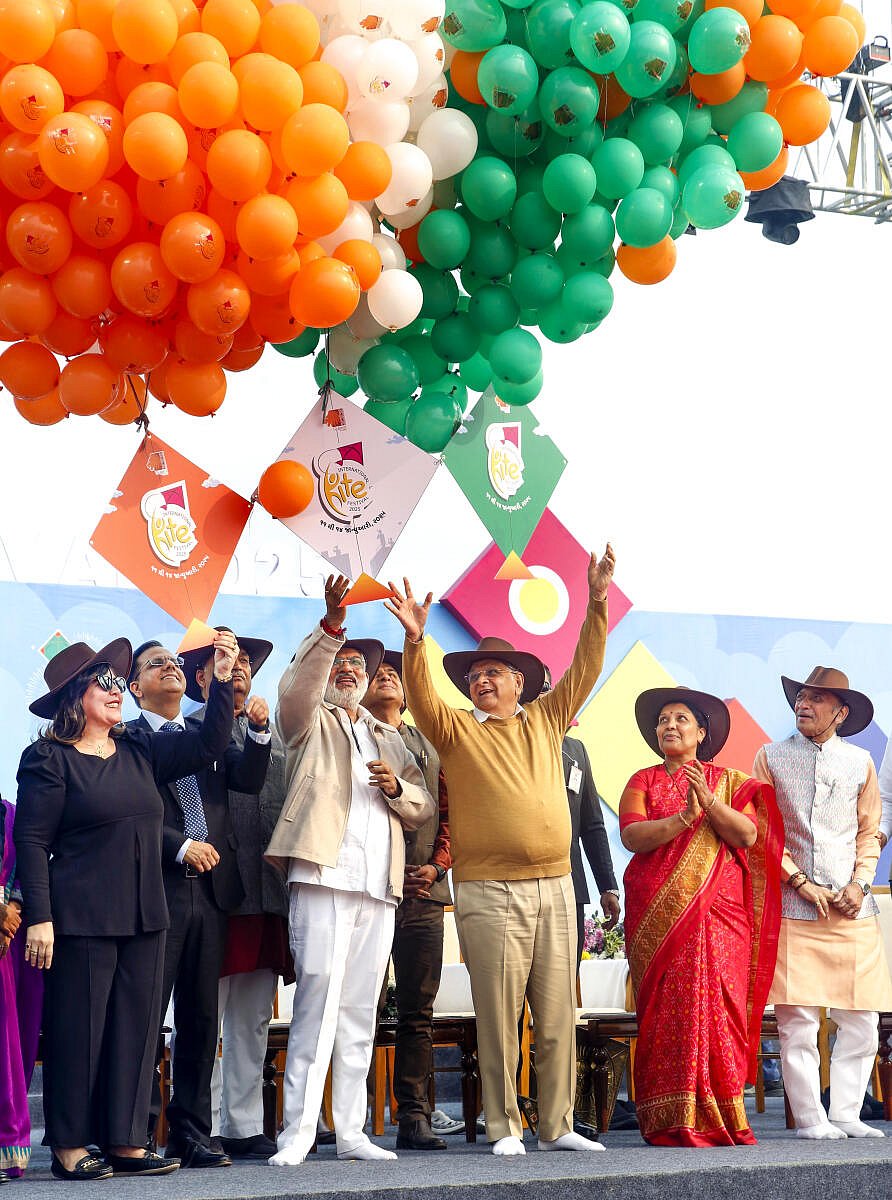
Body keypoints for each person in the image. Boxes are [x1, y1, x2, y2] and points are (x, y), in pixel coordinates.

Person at [386, 545, 615, 1157]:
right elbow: (423, 697)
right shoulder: (456, 729)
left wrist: (596, 600)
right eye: (474, 675)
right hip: (487, 889)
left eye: (494, 672)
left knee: (558, 1013)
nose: (481, 680)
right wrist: (415, 641)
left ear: (521, 682)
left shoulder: (548, 719)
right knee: (497, 1014)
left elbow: (585, 667)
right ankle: (504, 1125)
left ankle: (558, 1125)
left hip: (556, 886)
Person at [14, 633, 238, 1179]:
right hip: (82, 917)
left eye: (119, 681)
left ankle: (126, 1141)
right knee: (80, 1032)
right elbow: (32, 841)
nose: (117, 690)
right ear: (75, 698)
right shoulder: (48, 758)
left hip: (146, 914)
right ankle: (69, 1145)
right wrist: (40, 917)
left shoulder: (139, 747)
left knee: (136, 1034)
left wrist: (221, 681)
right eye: (104, 682)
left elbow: (209, 745)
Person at [265, 576, 436, 1166]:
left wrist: (398, 791)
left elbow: (423, 803)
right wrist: (331, 629)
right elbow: (296, 693)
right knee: (318, 1002)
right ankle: (297, 1133)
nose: (348, 668)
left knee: (362, 1008)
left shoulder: (389, 737)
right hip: (323, 875)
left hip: (378, 885)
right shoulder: (310, 721)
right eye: (341, 661)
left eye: (357, 664)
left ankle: (352, 1132)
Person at [129, 636, 271, 1169]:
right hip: (157, 888)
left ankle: (190, 1134)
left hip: (210, 894)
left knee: (200, 1018)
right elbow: (134, 817)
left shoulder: (199, 735)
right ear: (135, 685)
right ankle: (135, 1133)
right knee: (146, 1016)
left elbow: (247, 779)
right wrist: (179, 845)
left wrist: (258, 733)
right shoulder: (129, 738)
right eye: (156, 664)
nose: (170, 667)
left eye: (174, 661)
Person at [619, 687, 782, 1147]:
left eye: (681, 719)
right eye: (663, 720)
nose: (669, 726)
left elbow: (747, 835)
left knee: (720, 1008)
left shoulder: (727, 782)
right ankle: (667, 1117)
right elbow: (631, 835)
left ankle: (724, 1115)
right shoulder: (643, 780)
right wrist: (681, 820)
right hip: (659, 915)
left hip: (721, 915)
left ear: (701, 733)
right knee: (666, 1012)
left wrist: (708, 803)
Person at [753, 667, 892, 1139]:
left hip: (852, 910)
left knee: (863, 1019)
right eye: (801, 697)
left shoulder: (860, 762)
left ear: (841, 712)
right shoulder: (770, 757)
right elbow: (762, 830)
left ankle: (847, 1114)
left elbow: (869, 832)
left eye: (816, 698)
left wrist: (860, 884)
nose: (803, 704)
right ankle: (811, 1119)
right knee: (797, 1022)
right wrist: (798, 880)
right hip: (794, 908)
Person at [180, 630, 291, 1162]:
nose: (239, 667)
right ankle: (199, 1122)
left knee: (251, 1016)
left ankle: (244, 1124)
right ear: (202, 677)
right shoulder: (188, 732)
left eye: (245, 660)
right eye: (226, 660)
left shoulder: (273, 733)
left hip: (265, 892)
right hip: (212, 892)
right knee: (204, 1016)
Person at [362, 650, 452, 1152]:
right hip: (368, 890)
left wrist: (437, 867)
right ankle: (352, 1119)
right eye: (376, 672)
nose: (387, 676)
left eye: (393, 671)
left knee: (419, 1012)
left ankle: (414, 1115)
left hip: (424, 895)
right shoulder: (351, 736)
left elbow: (452, 813)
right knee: (362, 1007)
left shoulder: (432, 743)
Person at [539, 670, 620, 964]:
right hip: (517, 888)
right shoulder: (503, 744)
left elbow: (592, 824)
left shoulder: (575, 750)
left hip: (569, 888)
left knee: (563, 982)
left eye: (545, 687)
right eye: (533, 688)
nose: (542, 695)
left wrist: (607, 886)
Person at [0, 797, 42, 1183]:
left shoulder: (10, 813)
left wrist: (13, 906)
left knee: (10, 1036)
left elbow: (29, 859)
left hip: (8, 942)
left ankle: (5, 1146)